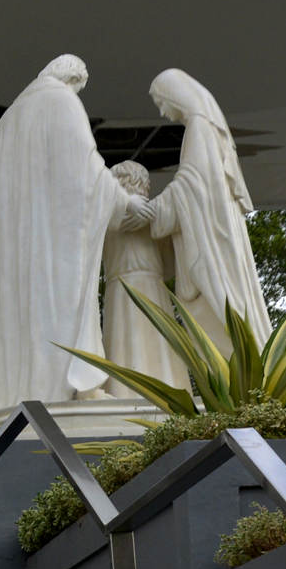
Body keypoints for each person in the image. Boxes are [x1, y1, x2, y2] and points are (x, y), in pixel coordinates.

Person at [0, 54, 149, 421]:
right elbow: (84, 170)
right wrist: (123, 201)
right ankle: (66, 391)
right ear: (73, 78)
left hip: (19, 248)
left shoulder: (7, 122)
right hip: (55, 243)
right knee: (58, 311)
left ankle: (23, 393)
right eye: (80, 86)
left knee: (23, 320)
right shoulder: (61, 101)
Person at [144, 68, 271, 358]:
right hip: (215, 226)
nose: (162, 111)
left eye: (160, 101)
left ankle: (244, 372)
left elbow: (194, 184)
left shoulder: (199, 129)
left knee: (220, 303)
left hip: (212, 236)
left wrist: (155, 209)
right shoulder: (205, 129)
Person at [100, 161, 188, 396]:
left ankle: (126, 392)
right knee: (148, 339)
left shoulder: (118, 215)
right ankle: (163, 388)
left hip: (135, 285)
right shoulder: (117, 214)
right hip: (135, 286)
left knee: (130, 338)